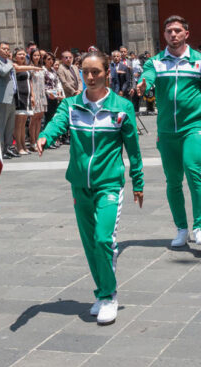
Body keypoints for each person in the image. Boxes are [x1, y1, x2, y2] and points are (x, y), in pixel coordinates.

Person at [37, 51, 143, 325]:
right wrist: (44, 137)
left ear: (107, 72)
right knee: (89, 243)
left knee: (103, 239)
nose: (90, 77)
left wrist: (138, 182)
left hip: (109, 183)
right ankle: (101, 290)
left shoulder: (121, 107)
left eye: (95, 71)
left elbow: (133, 149)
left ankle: (109, 296)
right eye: (85, 71)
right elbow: (56, 124)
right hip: (79, 185)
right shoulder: (71, 105)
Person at [138, 15, 201, 249]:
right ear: (164, 35)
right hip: (166, 132)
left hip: (193, 127)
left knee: (193, 171)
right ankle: (181, 229)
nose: (173, 34)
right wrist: (143, 84)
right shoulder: (155, 62)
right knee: (172, 181)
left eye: (177, 30)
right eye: (169, 31)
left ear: (186, 34)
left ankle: (200, 228)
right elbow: (148, 78)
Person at [0, 43, 19, 158]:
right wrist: (11, 63)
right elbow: (2, 72)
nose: (7, 51)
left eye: (8, 49)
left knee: (10, 125)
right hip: (0, 98)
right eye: (4, 49)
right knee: (1, 124)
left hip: (11, 97)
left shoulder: (8, 62)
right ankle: (0, 149)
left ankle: (8, 147)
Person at [11, 49, 42, 155]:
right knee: (18, 123)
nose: (22, 56)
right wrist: (33, 67)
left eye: (24, 54)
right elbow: (18, 69)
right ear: (15, 56)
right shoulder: (13, 65)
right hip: (19, 96)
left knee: (24, 122)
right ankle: (18, 146)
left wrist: (32, 96)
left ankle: (24, 145)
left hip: (27, 96)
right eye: (20, 54)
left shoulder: (26, 67)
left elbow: (30, 82)